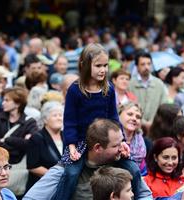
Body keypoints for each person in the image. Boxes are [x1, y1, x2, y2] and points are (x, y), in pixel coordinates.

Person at [53, 43, 131, 199]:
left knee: (133, 169)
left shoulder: (108, 88)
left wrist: (121, 140)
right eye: (98, 65)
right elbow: (70, 122)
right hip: (80, 143)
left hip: (107, 142)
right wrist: (72, 146)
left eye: (105, 65)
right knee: (70, 173)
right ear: (85, 65)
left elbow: (114, 118)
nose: (103, 69)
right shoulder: (75, 90)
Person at [23, 119, 152, 200]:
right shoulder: (66, 169)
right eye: (115, 145)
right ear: (97, 148)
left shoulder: (125, 165)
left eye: (122, 142)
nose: (123, 148)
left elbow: (144, 194)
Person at [0, 87, 38, 163]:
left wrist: (7, 140)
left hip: (19, 165)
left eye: (7, 100)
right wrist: (17, 149)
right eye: (3, 100)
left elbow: (30, 144)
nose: (3, 103)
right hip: (0, 161)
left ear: (18, 104)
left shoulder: (29, 122)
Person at [26, 101, 64, 190]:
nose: (59, 118)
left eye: (60, 115)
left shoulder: (66, 136)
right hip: (44, 187)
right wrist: (57, 176)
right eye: (55, 115)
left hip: (63, 187)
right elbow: (32, 166)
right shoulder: (36, 138)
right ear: (45, 119)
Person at [128, 52, 167, 133]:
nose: (146, 67)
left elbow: (163, 106)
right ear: (137, 66)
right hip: (135, 128)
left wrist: (153, 122)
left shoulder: (159, 84)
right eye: (143, 64)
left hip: (155, 128)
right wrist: (143, 123)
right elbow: (128, 106)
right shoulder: (130, 84)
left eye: (149, 64)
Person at [118, 102, 147, 174]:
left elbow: (143, 172)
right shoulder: (111, 138)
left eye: (138, 117)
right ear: (118, 115)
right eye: (130, 114)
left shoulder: (142, 142)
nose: (134, 118)